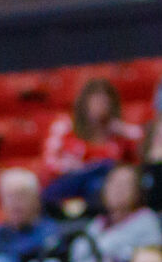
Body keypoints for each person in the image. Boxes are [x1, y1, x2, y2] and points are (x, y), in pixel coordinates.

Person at [41, 78, 142, 206]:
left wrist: (123, 130)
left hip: (100, 186)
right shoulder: (65, 127)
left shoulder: (118, 135)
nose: (100, 105)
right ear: (84, 103)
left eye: (105, 101)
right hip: (67, 182)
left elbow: (142, 153)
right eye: (95, 100)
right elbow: (49, 163)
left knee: (102, 176)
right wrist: (75, 167)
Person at [72, 164, 162, 262]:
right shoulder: (97, 223)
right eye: (113, 183)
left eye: (126, 184)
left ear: (137, 191)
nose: (118, 189)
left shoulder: (146, 220)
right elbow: (77, 258)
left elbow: (155, 257)